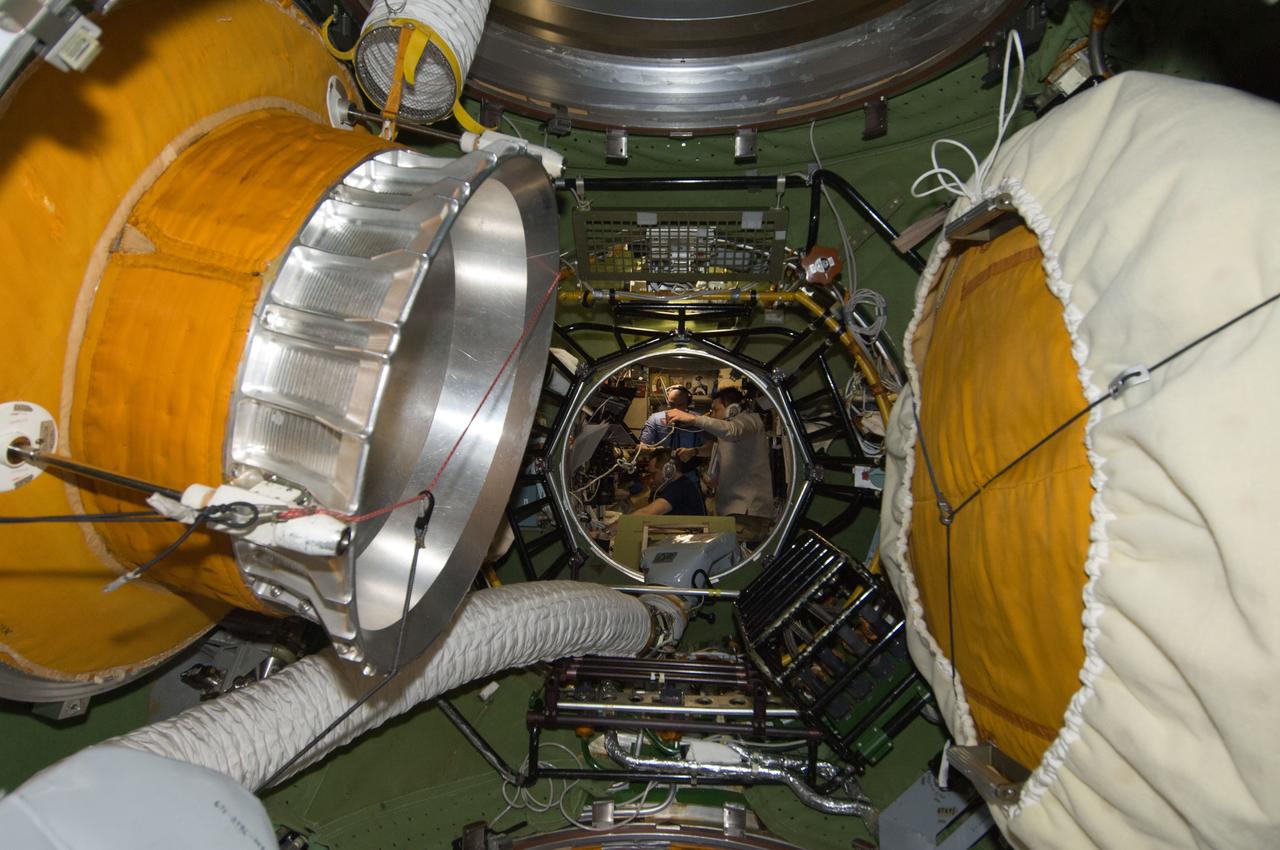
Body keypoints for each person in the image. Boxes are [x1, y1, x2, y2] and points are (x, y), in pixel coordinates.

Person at [665, 386, 774, 520]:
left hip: (748, 510)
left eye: (716, 410)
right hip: (731, 509)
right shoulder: (727, 431)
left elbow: (732, 431)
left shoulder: (749, 420)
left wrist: (693, 419)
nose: (713, 415)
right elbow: (717, 447)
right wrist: (695, 451)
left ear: (732, 409)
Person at [631, 449, 706, 516]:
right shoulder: (682, 483)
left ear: (668, 471)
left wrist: (621, 523)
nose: (651, 480)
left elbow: (647, 512)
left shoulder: (679, 489)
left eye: (654, 474)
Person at [639, 385, 703, 460]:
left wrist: (693, 451)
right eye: (672, 405)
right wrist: (648, 449)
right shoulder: (655, 419)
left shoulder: (698, 420)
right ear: (667, 402)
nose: (675, 409)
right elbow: (642, 445)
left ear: (688, 403)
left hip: (687, 469)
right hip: (661, 468)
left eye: (680, 405)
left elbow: (711, 446)